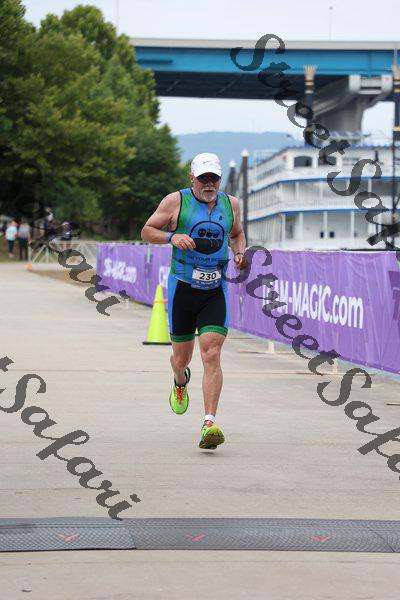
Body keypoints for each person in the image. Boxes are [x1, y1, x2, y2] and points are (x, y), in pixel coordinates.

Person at [141, 152, 247, 450]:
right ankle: (179, 380)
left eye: (214, 178)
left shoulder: (231, 204)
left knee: (211, 352)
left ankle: (209, 422)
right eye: (203, 178)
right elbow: (147, 230)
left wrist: (240, 252)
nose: (209, 183)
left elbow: (237, 234)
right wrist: (171, 238)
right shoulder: (175, 201)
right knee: (181, 359)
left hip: (215, 289)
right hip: (183, 289)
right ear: (192, 179)